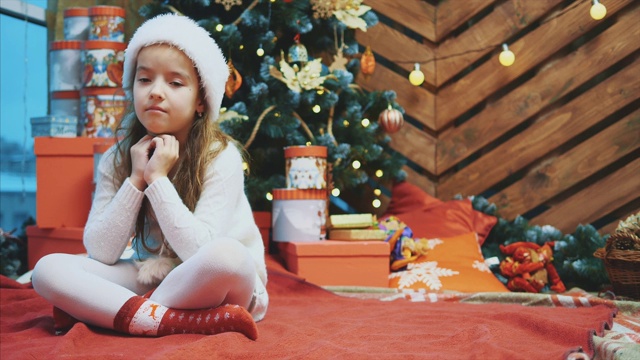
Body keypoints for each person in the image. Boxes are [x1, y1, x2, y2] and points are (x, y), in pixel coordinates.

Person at [31, 14, 267, 340]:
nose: (156, 92)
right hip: (150, 274)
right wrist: (135, 179)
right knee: (49, 270)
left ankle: (113, 310)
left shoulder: (220, 155)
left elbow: (199, 252)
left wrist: (157, 180)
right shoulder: (118, 157)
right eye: (145, 80)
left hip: (218, 281)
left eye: (175, 82)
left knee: (227, 255)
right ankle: (165, 319)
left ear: (201, 100)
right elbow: (100, 250)